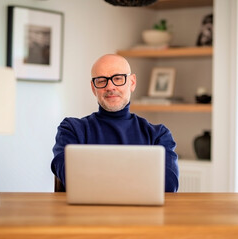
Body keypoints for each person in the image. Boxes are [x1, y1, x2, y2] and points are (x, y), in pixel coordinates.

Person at [51, 54, 179, 192]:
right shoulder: (72, 130)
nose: (110, 86)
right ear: (93, 88)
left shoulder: (158, 135)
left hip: (141, 213)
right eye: (101, 80)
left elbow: (168, 186)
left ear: (132, 82)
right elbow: (70, 176)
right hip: (86, 212)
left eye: (118, 78)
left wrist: (96, 175)